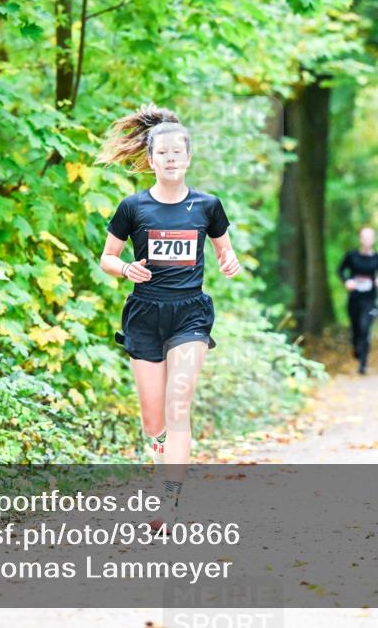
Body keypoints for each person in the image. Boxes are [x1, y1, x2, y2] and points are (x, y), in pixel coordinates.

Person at [97, 103, 241, 530]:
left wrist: (230, 262)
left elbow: (223, 249)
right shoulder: (132, 207)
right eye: (164, 153)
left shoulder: (207, 206)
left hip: (189, 316)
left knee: (179, 403)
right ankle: (161, 461)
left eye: (179, 152)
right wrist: (125, 269)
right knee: (153, 419)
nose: (172, 158)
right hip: (144, 314)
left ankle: (170, 501)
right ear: (152, 159)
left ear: (188, 157)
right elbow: (107, 258)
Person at [338, 227, 378, 375]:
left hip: (370, 300)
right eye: (364, 237)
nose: (367, 240)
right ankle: (356, 348)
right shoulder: (352, 256)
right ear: (360, 239)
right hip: (354, 299)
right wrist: (347, 281)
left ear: (374, 239)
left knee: (365, 328)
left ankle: (363, 364)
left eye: (370, 237)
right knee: (356, 329)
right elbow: (341, 270)